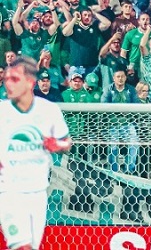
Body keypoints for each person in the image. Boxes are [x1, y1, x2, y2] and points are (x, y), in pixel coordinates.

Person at [0, 55, 72, 250]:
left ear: (30, 82)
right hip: (9, 191)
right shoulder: (2, 111)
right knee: (22, 246)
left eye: (14, 79)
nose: (8, 84)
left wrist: (56, 145)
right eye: (6, 79)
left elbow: (67, 142)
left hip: (38, 191)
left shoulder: (49, 110)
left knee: (29, 246)